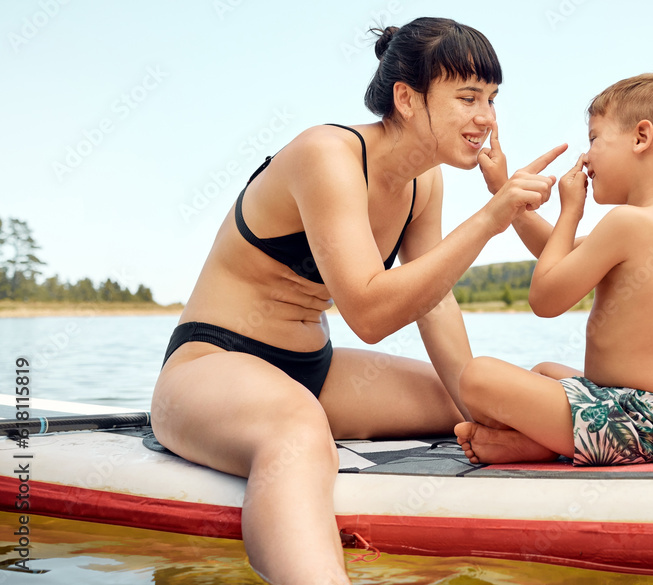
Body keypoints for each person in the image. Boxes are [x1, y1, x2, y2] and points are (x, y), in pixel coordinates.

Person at [151, 17, 564, 585]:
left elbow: (432, 301)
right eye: (468, 97)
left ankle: (598, 431)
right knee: (296, 429)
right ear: (407, 99)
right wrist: (491, 220)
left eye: (491, 100)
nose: (486, 119)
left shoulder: (426, 183)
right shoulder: (327, 154)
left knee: (479, 399)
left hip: (312, 372)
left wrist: (479, 405)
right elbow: (368, 314)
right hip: (211, 364)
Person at [455, 71, 653, 467]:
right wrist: (504, 192)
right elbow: (558, 257)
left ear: (641, 138)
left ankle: (542, 443)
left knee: (477, 377)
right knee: (542, 372)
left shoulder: (629, 223)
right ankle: (546, 440)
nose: (586, 156)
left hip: (635, 425)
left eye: (594, 138)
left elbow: (545, 298)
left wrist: (570, 210)